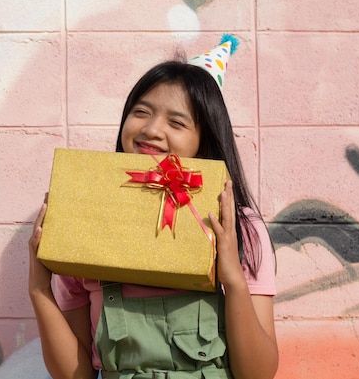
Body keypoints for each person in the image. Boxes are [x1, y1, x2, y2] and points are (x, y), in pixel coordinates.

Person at [28, 35, 278, 379]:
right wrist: (39, 288)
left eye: (176, 122)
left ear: (204, 139)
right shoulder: (85, 220)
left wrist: (232, 276)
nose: (151, 130)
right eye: (141, 112)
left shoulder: (238, 228)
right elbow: (76, 375)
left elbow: (259, 374)